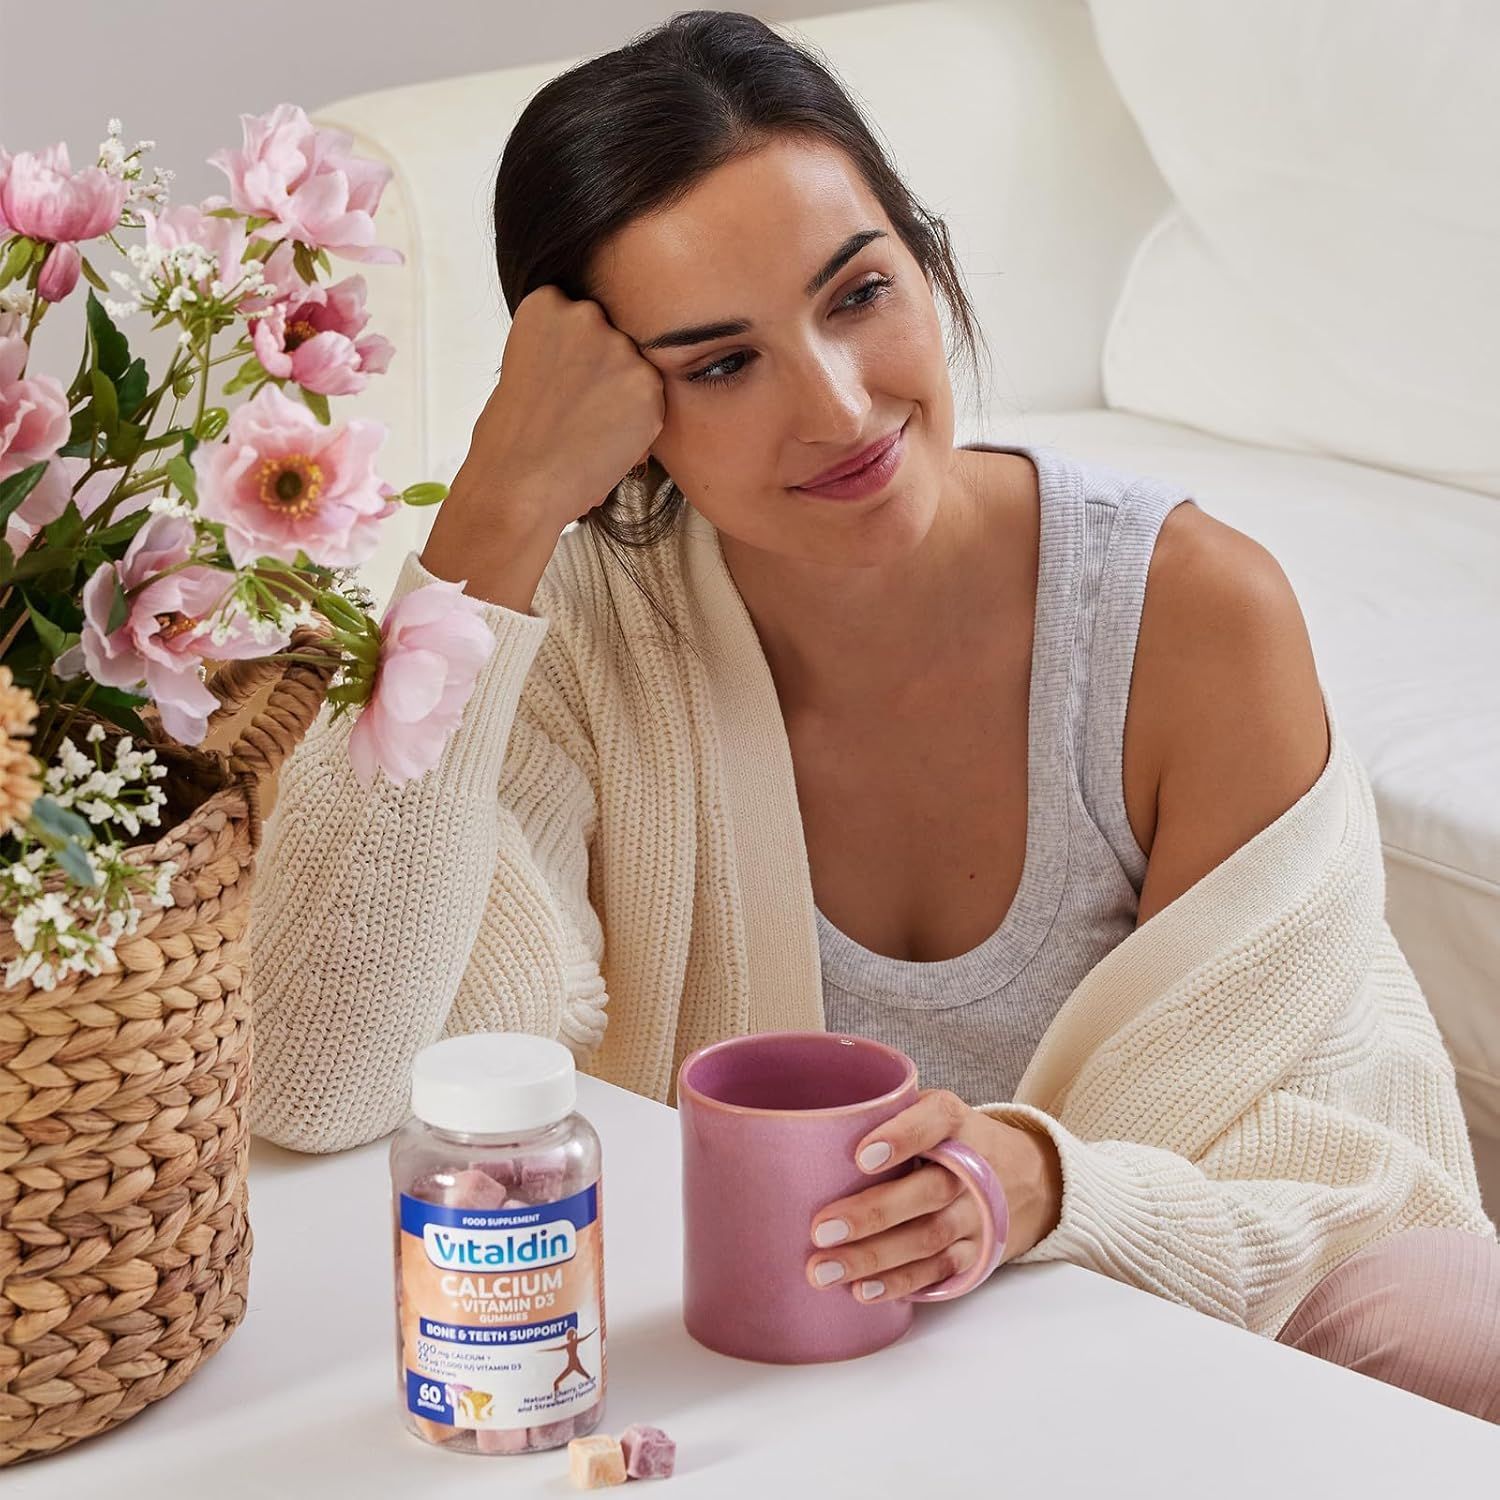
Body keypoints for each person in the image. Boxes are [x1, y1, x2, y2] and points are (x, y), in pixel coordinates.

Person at [247, 11, 1500, 1420]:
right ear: (621, 413)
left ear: (928, 257)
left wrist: (1047, 1184)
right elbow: (314, 1076)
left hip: (1181, 1300)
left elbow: (1313, 1171)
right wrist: (497, 510)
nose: (840, 408)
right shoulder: (577, 631)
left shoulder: (1190, 615)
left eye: (858, 294)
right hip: (763, 1369)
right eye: (721, 364)